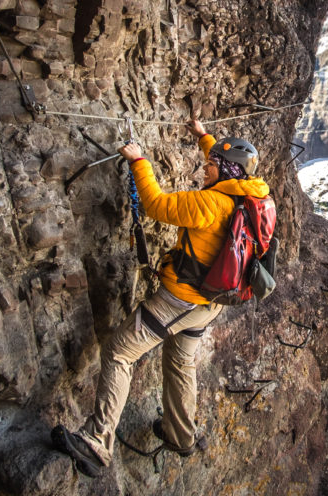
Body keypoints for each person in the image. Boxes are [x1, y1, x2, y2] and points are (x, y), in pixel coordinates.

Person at [51, 119, 269, 477]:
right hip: (211, 303)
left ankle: (96, 442)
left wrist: (139, 161)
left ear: (226, 171)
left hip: (179, 301)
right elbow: (226, 162)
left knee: (119, 351)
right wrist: (204, 138)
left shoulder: (208, 204)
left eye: (210, 166)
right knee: (181, 362)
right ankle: (180, 436)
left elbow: (154, 205)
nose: (204, 168)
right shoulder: (253, 195)